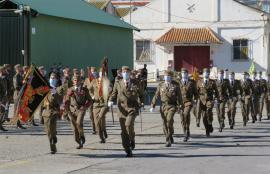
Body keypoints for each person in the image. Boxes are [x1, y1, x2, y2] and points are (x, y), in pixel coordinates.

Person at [108, 66, 144, 157]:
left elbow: (142, 94)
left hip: (132, 108)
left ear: (129, 73)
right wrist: (110, 100)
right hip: (122, 109)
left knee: (128, 125)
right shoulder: (118, 83)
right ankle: (127, 149)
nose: (125, 74)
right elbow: (114, 93)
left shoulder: (135, 82)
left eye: (127, 72)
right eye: (124, 72)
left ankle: (132, 139)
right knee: (124, 131)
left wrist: (142, 102)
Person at [151, 70, 182, 146]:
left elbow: (179, 97)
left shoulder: (176, 85)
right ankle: (169, 135)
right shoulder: (161, 85)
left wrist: (180, 106)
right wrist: (153, 105)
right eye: (165, 76)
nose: (166, 77)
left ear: (171, 77)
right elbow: (156, 95)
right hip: (163, 106)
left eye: (168, 76)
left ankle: (167, 139)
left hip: (172, 106)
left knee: (169, 120)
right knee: (165, 123)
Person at [64, 75, 92, 149]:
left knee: (79, 123)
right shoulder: (70, 89)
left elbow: (90, 100)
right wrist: (65, 110)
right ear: (73, 82)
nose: (76, 82)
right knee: (74, 129)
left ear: (80, 81)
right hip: (72, 110)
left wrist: (85, 107)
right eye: (75, 80)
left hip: (81, 109)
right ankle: (79, 142)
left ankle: (82, 135)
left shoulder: (85, 90)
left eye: (77, 80)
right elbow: (66, 101)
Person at [42, 72, 65, 154]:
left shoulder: (59, 88)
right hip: (45, 111)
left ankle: (53, 139)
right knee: (48, 131)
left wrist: (55, 93)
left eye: (54, 77)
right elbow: (41, 101)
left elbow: (60, 100)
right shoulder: (45, 88)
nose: (52, 79)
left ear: (57, 79)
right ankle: (53, 145)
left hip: (54, 111)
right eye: (51, 77)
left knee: (52, 126)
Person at [89, 68, 110, 143]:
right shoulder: (94, 81)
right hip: (96, 104)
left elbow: (111, 92)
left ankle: (104, 130)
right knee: (97, 122)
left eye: (103, 72)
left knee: (101, 117)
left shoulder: (106, 81)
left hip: (104, 103)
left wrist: (109, 100)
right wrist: (92, 96)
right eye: (101, 72)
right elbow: (89, 89)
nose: (102, 73)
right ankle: (102, 136)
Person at [197, 68, 219, 137]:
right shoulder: (199, 82)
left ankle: (210, 122)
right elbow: (196, 91)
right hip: (202, 100)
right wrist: (196, 99)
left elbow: (216, 91)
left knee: (209, 111)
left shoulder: (212, 82)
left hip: (209, 99)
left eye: (207, 73)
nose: (206, 74)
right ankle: (207, 129)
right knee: (204, 117)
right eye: (205, 73)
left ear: (209, 74)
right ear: (203, 74)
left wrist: (217, 98)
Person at [178, 68, 197, 142]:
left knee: (186, 114)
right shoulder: (178, 83)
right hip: (180, 103)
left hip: (188, 102)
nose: (184, 74)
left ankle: (186, 134)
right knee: (182, 118)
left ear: (187, 74)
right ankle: (186, 131)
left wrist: (195, 99)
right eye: (182, 73)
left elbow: (195, 93)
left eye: (185, 73)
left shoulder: (191, 82)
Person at [84, 67, 98, 134]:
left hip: (97, 100)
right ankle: (94, 128)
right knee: (91, 115)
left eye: (94, 71)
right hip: (89, 99)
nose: (93, 73)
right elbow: (84, 88)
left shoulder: (99, 79)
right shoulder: (87, 80)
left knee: (96, 115)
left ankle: (97, 128)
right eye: (92, 72)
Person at [0, 66, 8, 131]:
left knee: (2, 111)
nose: (6, 71)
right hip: (1, 98)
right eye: (4, 70)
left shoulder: (4, 78)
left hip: (4, 98)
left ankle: (0, 125)